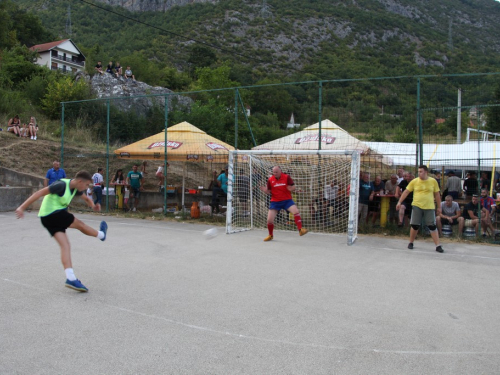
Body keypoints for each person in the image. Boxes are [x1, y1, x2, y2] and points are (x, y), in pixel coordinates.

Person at [15, 171, 108, 292]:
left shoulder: (75, 188)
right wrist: (22, 207)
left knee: (65, 246)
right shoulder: (61, 185)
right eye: (86, 185)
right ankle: (101, 235)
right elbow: (39, 193)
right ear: (80, 181)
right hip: (53, 214)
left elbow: (85, 198)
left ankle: (71, 278)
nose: (87, 188)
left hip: (47, 219)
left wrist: (93, 205)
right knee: (80, 224)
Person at [396, 165, 443, 253]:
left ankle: (438, 245)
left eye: (421, 171)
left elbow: (437, 195)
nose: (419, 173)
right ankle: (411, 242)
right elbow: (406, 191)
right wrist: (399, 202)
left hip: (429, 206)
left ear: (426, 172)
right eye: (418, 171)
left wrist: (439, 207)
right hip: (417, 205)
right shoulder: (414, 181)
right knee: (415, 225)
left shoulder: (433, 181)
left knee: (432, 226)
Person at [259, 166, 308, 241]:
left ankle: (300, 230)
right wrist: (265, 190)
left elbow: (293, 186)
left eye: (276, 172)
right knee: (269, 220)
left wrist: (292, 188)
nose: (275, 173)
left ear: (280, 171)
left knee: (296, 211)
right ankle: (270, 235)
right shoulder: (270, 180)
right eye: (274, 172)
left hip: (287, 200)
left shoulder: (286, 177)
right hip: (275, 201)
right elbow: (269, 192)